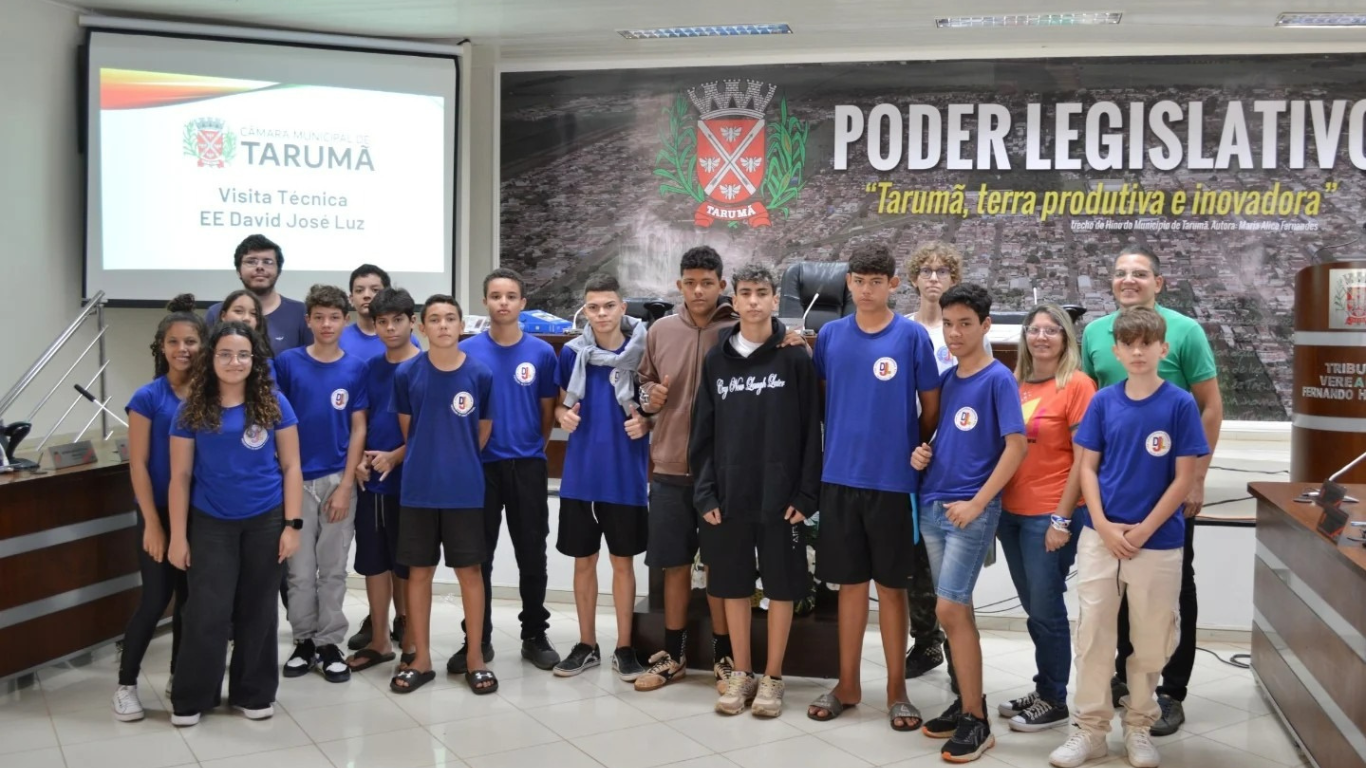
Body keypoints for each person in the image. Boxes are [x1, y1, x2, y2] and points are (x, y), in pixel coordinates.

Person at [1049, 307, 1210, 768]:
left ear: (1163, 348)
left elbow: (1182, 479)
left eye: (1147, 344)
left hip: (1156, 541)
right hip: (1103, 538)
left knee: (1151, 639)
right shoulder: (1103, 401)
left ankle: (1139, 725)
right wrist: (1100, 524)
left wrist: (1142, 530)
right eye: (1129, 345)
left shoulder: (1178, 403)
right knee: (1094, 636)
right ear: (1116, 351)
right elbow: (1088, 468)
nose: (1138, 352)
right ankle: (1090, 730)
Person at [1080, 244, 1223, 736]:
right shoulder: (1097, 333)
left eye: (1140, 273)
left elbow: (1209, 406)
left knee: (1172, 592)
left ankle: (1169, 692)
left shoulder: (1184, 331)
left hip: (1169, 494)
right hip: (1114, 497)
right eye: (1120, 273)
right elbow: (1090, 404)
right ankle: (1124, 684)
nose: (1129, 280)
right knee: (1116, 596)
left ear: (1158, 283)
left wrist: (1198, 478)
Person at [806, 244, 940, 733]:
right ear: (848, 282)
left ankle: (896, 691)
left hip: (892, 483)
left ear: (892, 285)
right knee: (849, 588)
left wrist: (908, 447)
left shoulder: (910, 337)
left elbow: (930, 408)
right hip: (839, 478)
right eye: (858, 280)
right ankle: (847, 685)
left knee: (892, 588)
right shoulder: (830, 337)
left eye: (876, 281)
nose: (866, 289)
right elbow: (824, 402)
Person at [689, 264, 822, 718]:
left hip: (782, 500)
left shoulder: (794, 358)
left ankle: (773, 678)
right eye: (744, 293)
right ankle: (742, 674)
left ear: (772, 299)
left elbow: (811, 432)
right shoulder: (716, 360)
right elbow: (701, 435)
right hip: (727, 498)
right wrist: (704, 495)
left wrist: (806, 496)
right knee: (733, 586)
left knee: (781, 588)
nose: (752, 301)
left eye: (761, 293)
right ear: (735, 298)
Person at [166, 321, 303, 727]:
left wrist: (292, 525)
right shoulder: (190, 408)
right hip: (210, 523)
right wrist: (177, 535)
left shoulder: (275, 403)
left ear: (254, 361)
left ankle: (253, 692)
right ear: (211, 358)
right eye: (225, 353)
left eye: (243, 354)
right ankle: (194, 696)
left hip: (265, 520)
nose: (234, 362)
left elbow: (293, 466)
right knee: (206, 611)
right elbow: (180, 478)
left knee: (258, 609)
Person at [912, 283, 1027, 762]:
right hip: (933, 505)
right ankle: (966, 703)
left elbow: (1015, 447)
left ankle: (977, 721)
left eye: (966, 324)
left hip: (968, 512)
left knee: (949, 611)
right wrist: (925, 452)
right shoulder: (949, 376)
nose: (956, 333)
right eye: (949, 324)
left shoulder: (999, 378)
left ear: (985, 326)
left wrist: (979, 504)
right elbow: (951, 438)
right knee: (956, 610)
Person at [634, 245, 737, 692]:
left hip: (724, 473)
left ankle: (725, 657)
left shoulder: (739, 329)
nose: (698, 291)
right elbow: (643, 388)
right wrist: (649, 400)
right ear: (679, 285)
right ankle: (672, 655)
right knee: (673, 565)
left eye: (707, 283)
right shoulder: (660, 331)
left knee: (720, 567)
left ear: (722, 285)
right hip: (670, 466)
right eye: (690, 283)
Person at [389, 295, 497, 695]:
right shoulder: (406, 374)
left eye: (451, 318)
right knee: (419, 573)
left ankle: (475, 659)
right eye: (434, 319)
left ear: (461, 325)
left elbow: (481, 433)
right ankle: (421, 658)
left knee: (470, 573)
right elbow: (408, 432)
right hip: (418, 489)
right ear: (421, 326)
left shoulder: (481, 374)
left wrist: (456, 459)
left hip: (465, 490)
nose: (443, 325)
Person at [995, 304, 1095, 732]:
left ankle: (1055, 699)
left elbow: (1084, 460)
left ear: (1066, 338)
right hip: (1011, 514)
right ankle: (1043, 687)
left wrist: (1062, 519)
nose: (1041, 337)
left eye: (1052, 330)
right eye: (1034, 330)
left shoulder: (1077, 385)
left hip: (1049, 516)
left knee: (1047, 610)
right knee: (1034, 609)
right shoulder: (1015, 384)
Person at [457, 269, 561, 672]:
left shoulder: (540, 353)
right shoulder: (469, 351)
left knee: (531, 554)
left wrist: (530, 446)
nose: (503, 302)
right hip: (480, 468)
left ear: (522, 302)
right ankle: (477, 638)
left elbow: (547, 413)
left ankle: (534, 633)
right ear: (485, 302)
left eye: (511, 296)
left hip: (527, 466)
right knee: (476, 556)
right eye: (496, 296)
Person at [552, 273, 650, 681]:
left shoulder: (644, 353)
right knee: (583, 561)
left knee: (622, 563)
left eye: (609, 305)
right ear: (584, 311)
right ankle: (587, 644)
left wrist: (645, 422)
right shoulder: (572, 353)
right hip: (580, 476)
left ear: (623, 307)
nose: (602, 313)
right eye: (593, 307)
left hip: (625, 476)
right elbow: (559, 407)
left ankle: (624, 647)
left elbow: (658, 405)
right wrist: (562, 414)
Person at [902, 241, 993, 679]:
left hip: (955, 465)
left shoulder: (968, 336)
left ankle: (963, 667)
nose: (934, 277)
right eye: (926, 270)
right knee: (917, 560)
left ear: (954, 279)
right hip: (911, 457)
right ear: (914, 278)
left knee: (951, 576)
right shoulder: (901, 329)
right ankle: (926, 640)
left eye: (942, 271)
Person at [112, 295, 203, 722]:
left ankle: (177, 677)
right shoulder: (147, 397)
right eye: (173, 342)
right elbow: (140, 465)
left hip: (201, 515)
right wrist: (151, 522)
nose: (182, 349)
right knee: (156, 598)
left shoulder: (212, 395)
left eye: (190, 341)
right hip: (159, 513)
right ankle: (126, 685)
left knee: (190, 601)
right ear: (161, 347)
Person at [274, 285, 368, 684]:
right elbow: (278, 422)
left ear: (344, 320)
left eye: (334, 317)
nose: (327, 324)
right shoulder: (288, 364)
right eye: (319, 317)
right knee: (298, 570)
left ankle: (330, 642)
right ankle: (304, 640)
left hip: (336, 480)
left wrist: (346, 484)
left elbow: (358, 427)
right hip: (295, 481)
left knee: (332, 568)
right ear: (308, 320)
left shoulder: (355, 368)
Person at [346, 288, 420, 672]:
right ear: (374, 325)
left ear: (412, 321)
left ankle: (409, 642)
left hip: (412, 483)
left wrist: (397, 456)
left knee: (405, 564)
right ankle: (379, 641)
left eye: (397, 320)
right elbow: (358, 422)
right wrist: (358, 460)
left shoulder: (425, 366)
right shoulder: (369, 368)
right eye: (382, 322)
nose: (390, 328)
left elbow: (429, 429)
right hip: (371, 482)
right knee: (374, 563)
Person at [205, 234, 311, 355]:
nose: (260, 267)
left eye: (268, 262)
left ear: (279, 271)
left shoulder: (300, 312)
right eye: (251, 261)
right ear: (238, 271)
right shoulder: (216, 312)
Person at [339, 264, 421, 363]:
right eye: (359, 290)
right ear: (351, 299)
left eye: (375, 290)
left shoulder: (406, 339)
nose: (366, 295)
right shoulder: (339, 338)